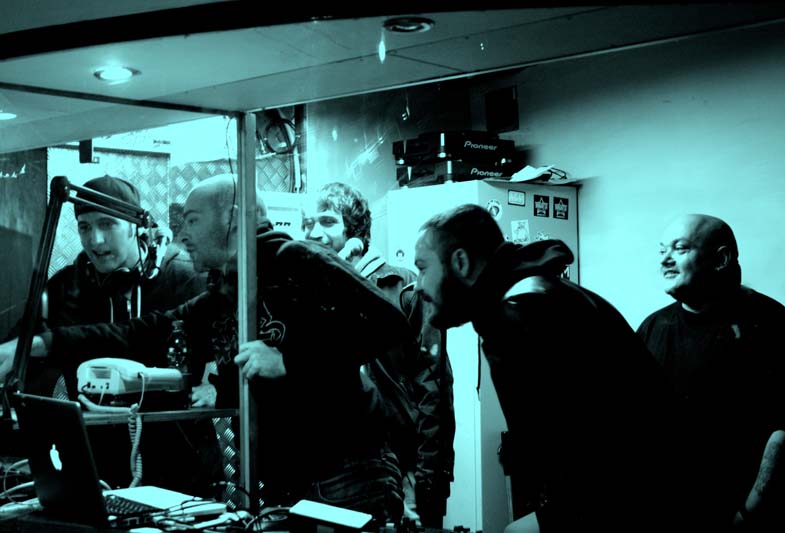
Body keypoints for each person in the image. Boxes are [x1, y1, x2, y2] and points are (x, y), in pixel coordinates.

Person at [1, 174, 414, 522]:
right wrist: (37, 344)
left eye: (193, 221)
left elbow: (389, 323)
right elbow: (145, 331)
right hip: (289, 479)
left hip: (347, 474)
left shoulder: (296, 258)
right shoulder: (225, 292)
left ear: (232, 219)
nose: (183, 235)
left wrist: (291, 360)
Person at [412, 203, 684, 532]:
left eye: (423, 268)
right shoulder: (534, 296)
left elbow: (588, 461)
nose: (418, 286)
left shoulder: (521, 316)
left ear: (460, 262)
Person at [2, 175, 219, 495]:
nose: (96, 240)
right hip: (95, 465)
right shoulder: (64, 288)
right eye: (85, 227)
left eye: (107, 224)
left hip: (180, 463)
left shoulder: (184, 280)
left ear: (135, 226)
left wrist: (215, 386)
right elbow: (18, 355)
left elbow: (224, 351)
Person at [303, 182, 455, 527]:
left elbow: (435, 390)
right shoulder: (312, 294)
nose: (313, 232)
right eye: (308, 223)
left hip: (402, 471)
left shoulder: (402, 289)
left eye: (327, 221)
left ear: (355, 234)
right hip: (335, 473)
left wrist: (426, 479)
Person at [637, 213, 785, 532]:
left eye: (680, 248)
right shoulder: (653, 327)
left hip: (744, 517)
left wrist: (750, 514)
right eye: (662, 250)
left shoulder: (771, 325)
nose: (665, 260)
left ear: (721, 259)